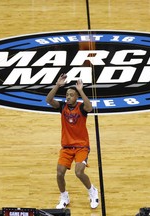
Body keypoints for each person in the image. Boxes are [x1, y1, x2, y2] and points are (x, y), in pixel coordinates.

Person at [46, 74, 99, 209]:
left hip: (82, 146)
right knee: (59, 173)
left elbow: (90, 107)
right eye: (67, 95)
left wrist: (81, 90)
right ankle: (64, 196)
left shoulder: (81, 108)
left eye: (71, 95)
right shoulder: (62, 107)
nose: (68, 97)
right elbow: (48, 99)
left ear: (76, 97)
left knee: (79, 172)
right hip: (67, 147)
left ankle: (92, 191)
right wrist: (58, 85)